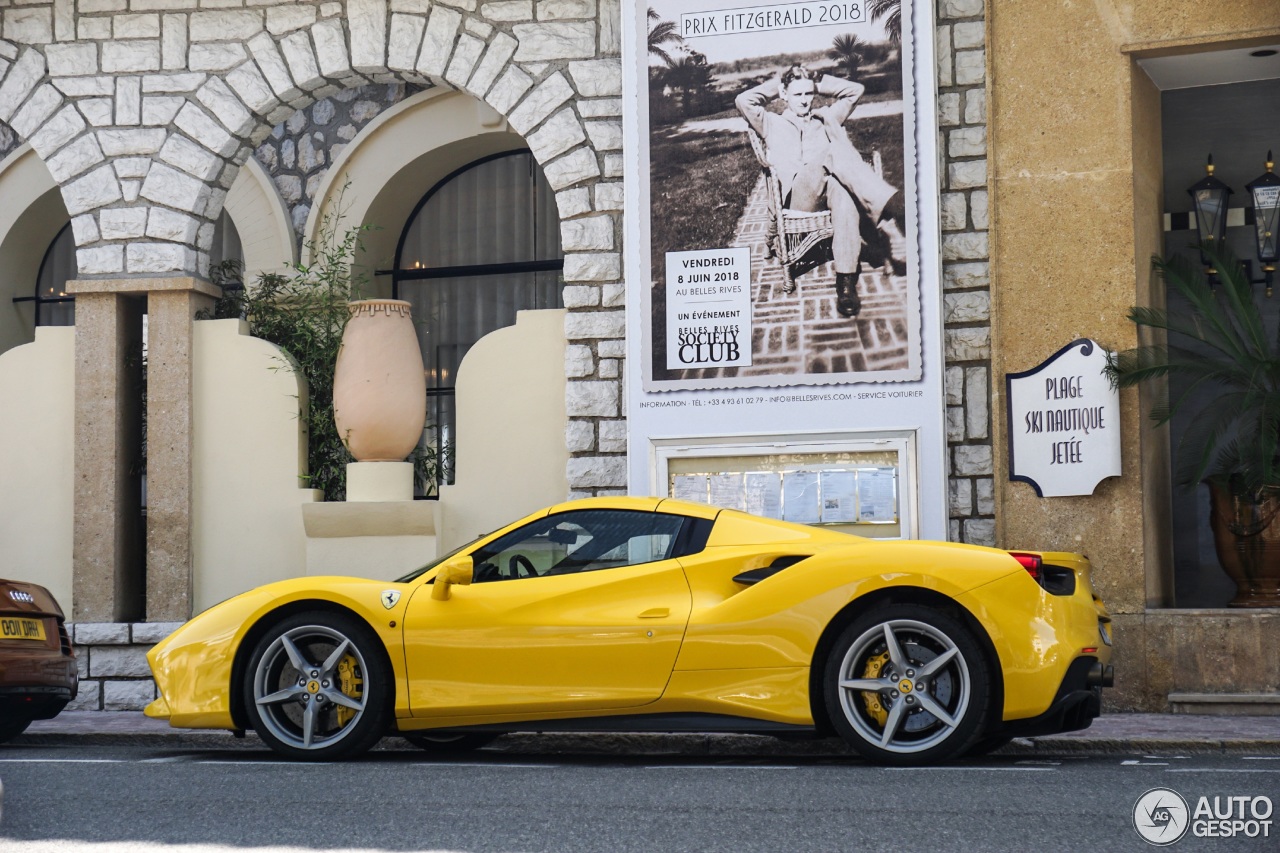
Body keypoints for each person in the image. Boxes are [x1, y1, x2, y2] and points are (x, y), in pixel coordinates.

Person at [736, 65, 903, 317]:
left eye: (808, 94)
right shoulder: (770, 122)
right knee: (832, 151)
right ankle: (889, 203)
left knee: (842, 191)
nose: (804, 101)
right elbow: (743, 100)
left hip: (828, 191)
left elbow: (855, 91)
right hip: (797, 197)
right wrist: (780, 82)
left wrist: (818, 81)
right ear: (784, 94)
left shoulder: (825, 116)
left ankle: (845, 283)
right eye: (797, 95)